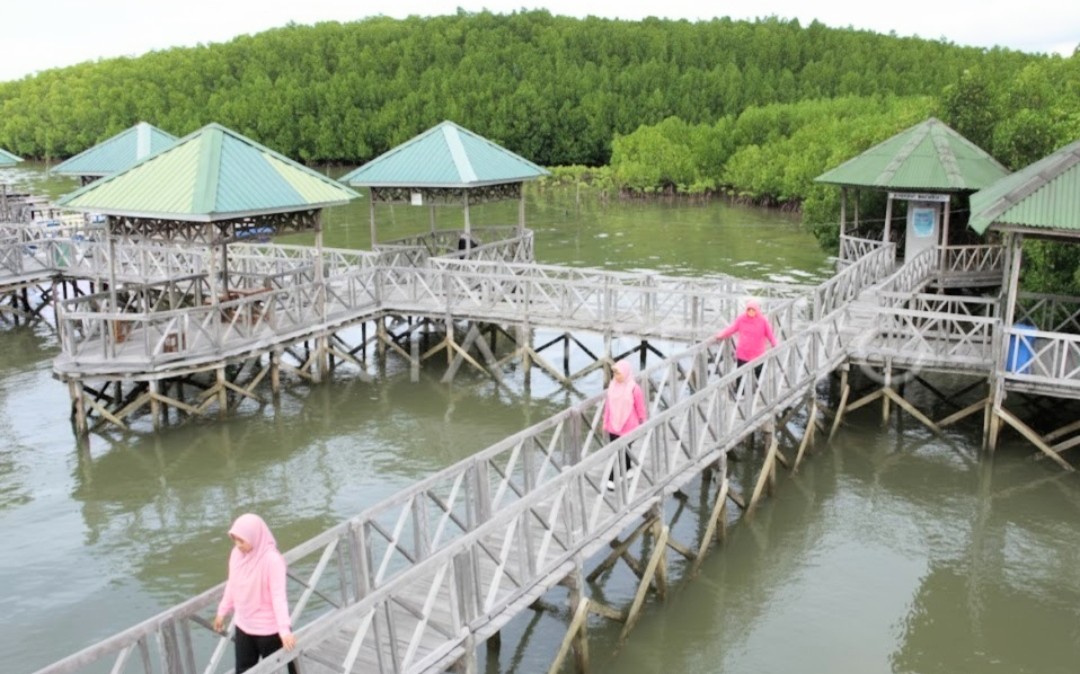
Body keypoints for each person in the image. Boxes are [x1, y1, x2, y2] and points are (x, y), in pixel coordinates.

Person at [213, 513, 298, 674]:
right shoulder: (236, 555)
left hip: (269, 630)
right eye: (234, 539)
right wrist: (222, 611)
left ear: (254, 536)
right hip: (244, 625)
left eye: (242, 540)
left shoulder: (272, 561)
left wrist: (284, 631)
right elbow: (232, 584)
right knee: (244, 670)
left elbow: (278, 597)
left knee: (276, 669)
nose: (238, 545)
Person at [714, 298, 778, 391]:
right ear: (746, 310)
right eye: (749, 310)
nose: (751, 312)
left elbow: (770, 334)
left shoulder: (763, 321)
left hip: (758, 353)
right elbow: (732, 328)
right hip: (743, 352)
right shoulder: (741, 319)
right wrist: (721, 335)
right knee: (741, 374)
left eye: (753, 310)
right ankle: (740, 392)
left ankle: (756, 392)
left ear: (757, 310)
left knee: (758, 373)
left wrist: (774, 344)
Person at [603, 360, 647, 490]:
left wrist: (643, 421)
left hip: (629, 426)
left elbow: (640, 408)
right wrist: (605, 422)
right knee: (618, 451)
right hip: (613, 425)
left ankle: (612, 478)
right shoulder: (612, 386)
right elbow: (608, 406)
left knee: (621, 451)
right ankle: (627, 470)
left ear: (626, 373)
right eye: (614, 374)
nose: (616, 377)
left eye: (619, 374)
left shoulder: (634, 388)